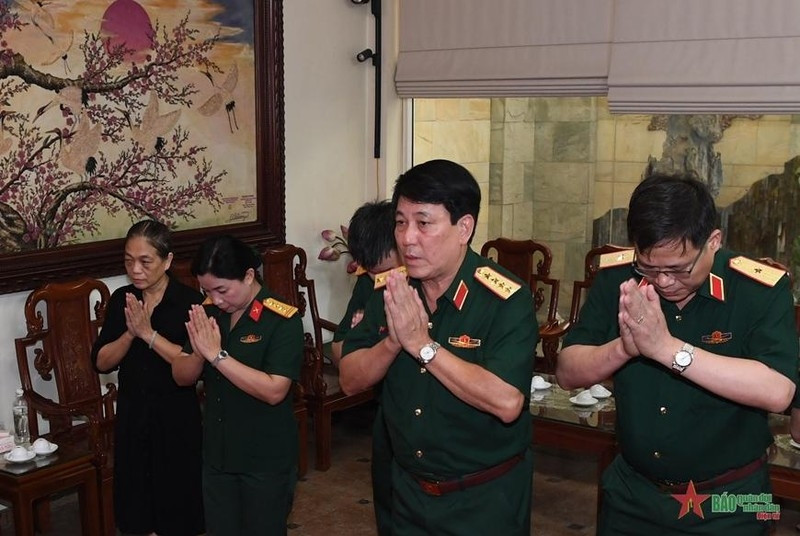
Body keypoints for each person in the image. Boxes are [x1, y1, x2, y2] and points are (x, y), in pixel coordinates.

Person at [556, 173, 798, 535]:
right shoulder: (618, 278)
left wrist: (668, 349)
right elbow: (567, 371)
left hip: (732, 500)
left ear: (713, 241)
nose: (664, 281)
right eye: (649, 267)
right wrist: (623, 348)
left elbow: (778, 390)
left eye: (678, 269)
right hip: (633, 494)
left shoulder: (759, 289)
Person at [340, 159, 538, 535]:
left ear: (464, 228)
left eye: (424, 223)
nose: (407, 238)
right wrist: (393, 342)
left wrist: (423, 346)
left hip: (484, 499)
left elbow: (507, 402)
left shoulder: (505, 299)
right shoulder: (392, 290)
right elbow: (350, 379)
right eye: (401, 222)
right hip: (407, 493)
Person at [171, 235, 303, 536]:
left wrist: (217, 356)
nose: (216, 299)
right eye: (206, 291)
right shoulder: (209, 312)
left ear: (248, 276)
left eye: (222, 290)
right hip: (218, 456)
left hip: (264, 459)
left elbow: (274, 390)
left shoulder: (281, 319)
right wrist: (199, 352)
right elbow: (181, 376)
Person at [92, 220, 204, 536]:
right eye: (129, 261)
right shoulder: (122, 299)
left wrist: (148, 333)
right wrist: (130, 333)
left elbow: (193, 362)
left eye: (145, 261)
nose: (135, 270)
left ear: (167, 261)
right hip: (133, 413)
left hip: (175, 415)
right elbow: (101, 362)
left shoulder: (189, 302)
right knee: (137, 508)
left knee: (176, 507)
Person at [331, 200, 400, 536]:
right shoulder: (369, 282)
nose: (377, 279)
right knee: (389, 509)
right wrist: (374, 348)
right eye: (370, 271)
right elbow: (340, 350)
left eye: (382, 270)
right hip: (389, 413)